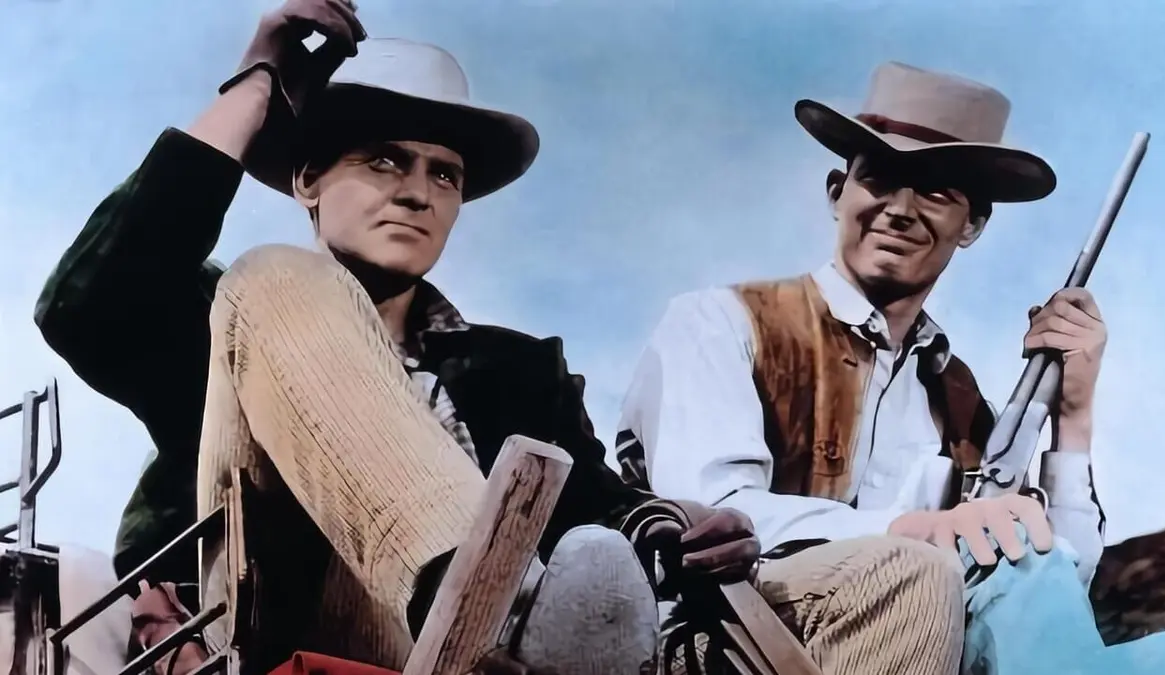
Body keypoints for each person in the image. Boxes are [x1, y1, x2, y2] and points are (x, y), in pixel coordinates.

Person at [34, 1, 759, 673]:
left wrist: (673, 529)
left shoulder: (518, 368)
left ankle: (503, 610)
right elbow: (89, 304)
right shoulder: (223, 318)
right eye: (383, 159)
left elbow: (595, 520)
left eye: (445, 175)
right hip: (280, 631)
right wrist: (258, 84)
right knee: (274, 275)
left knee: (611, 553)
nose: (417, 192)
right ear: (308, 180)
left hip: (479, 647)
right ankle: (491, 600)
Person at [615, 62, 1109, 674]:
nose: (900, 210)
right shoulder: (718, 322)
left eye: (935, 192)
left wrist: (1073, 418)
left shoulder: (960, 402)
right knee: (918, 573)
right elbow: (712, 513)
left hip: (923, 646)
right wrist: (912, 529)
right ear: (836, 192)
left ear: (973, 225)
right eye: (880, 178)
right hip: (722, 642)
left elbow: (1052, 594)